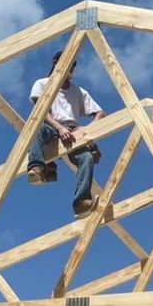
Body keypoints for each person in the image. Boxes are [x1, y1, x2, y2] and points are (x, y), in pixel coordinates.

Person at [26, 51, 106, 217]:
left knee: (86, 158)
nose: (70, 68)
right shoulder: (42, 84)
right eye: (67, 63)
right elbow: (40, 111)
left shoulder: (78, 91)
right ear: (55, 62)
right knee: (36, 126)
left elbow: (100, 113)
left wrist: (85, 131)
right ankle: (37, 168)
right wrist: (59, 128)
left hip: (72, 132)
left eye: (73, 65)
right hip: (51, 127)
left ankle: (81, 203)